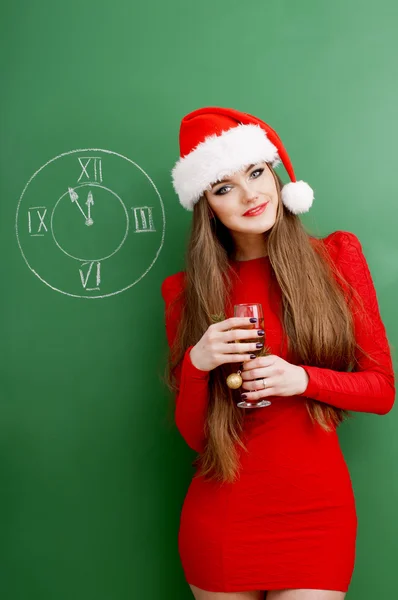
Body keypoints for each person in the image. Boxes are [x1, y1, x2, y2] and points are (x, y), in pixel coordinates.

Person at [161, 106, 395, 600]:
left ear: (277, 174)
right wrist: (197, 363)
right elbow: (198, 439)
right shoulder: (186, 293)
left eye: (255, 172)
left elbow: (381, 391)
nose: (249, 195)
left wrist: (302, 379)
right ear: (208, 207)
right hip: (224, 514)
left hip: (317, 515)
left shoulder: (336, 257)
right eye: (223, 187)